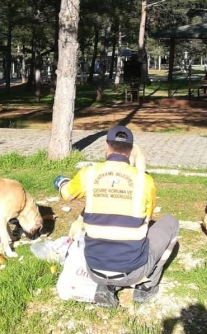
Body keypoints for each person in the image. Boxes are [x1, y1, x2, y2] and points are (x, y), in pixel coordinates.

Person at [53, 125, 179, 307]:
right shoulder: (145, 181)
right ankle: (147, 286)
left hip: (94, 270)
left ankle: (105, 287)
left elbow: (67, 194)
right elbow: (147, 217)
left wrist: (61, 181)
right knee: (171, 222)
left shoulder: (89, 173)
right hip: (133, 271)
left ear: (106, 146)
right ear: (130, 151)